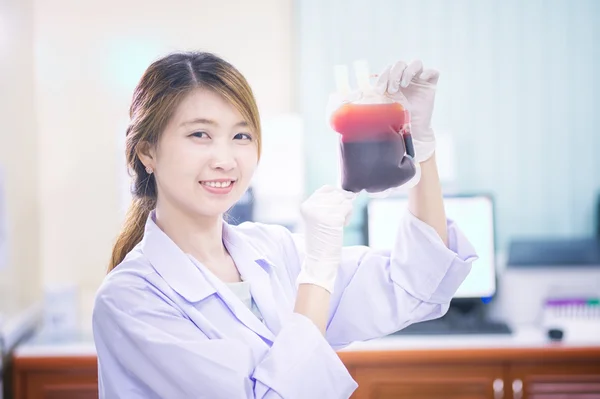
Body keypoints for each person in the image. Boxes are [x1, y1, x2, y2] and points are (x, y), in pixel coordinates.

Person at [92, 51, 478, 399]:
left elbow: (415, 284)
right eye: (199, 134)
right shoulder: (130, 300)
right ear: (147, 151)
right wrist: (317, 273)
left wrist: (421, 147)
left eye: (241, 135)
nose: (225, 159)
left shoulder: (271, 251)